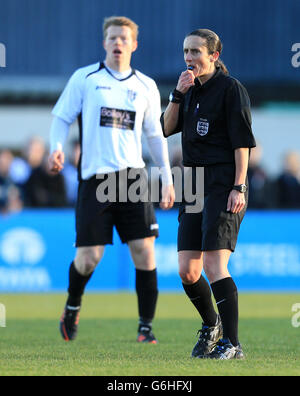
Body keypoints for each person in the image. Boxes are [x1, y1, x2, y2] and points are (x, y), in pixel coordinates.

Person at [48, 16, 175, 344]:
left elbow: (155, 134)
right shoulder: (86, 78)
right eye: (113, 38)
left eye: (124, 38)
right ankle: (73, 305)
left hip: (132, 178)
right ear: (104, 43)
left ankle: (145, 329)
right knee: (89, 257)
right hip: (95, 178)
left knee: (144, 252)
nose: (118, 43)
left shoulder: (145, 85)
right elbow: (61, 117)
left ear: (134, 44)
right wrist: (56, 148)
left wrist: (166, 177)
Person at [161, 29, 256, 359]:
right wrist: (176, 93)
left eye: (196, 52)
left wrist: (239, 186)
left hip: (222, 183)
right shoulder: (187, 90)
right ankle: (211, 325)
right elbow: (165, 128)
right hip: (192, 184)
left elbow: (241, 142)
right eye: (186, 51)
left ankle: (233, 344)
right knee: (188, 270)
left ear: (214, 55)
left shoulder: (231, 89)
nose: (189, 58)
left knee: (216, 264)